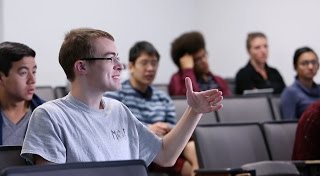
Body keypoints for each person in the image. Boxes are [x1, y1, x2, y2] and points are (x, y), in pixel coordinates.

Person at [21, 28, 223, 168]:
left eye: (118, 57)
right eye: (110, 58)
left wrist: (194, 111)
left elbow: (166, 155)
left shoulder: (118, 109)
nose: (120, 65)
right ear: (81, 66)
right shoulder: (49, 116)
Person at [105, 41, 198, 176]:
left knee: (192, 148)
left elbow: (174, 126)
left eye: (154, 63)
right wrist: (148, 129)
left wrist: (167, 127)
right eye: (144, 63)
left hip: (167, 144)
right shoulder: (116, 95)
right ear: (131, 66)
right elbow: (116, 128)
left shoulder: (163, 97)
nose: (150, 68)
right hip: (140, 148)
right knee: (191, 167)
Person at [0, 41, 44, 145]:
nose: (32, 80)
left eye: (33, 72)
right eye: (23, 73)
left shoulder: (48, 114)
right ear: (1, 78)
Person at [169, 31, 232, 97]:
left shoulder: (219, 80)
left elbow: (229, 103)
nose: (204, 61)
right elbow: (191, 102)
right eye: (198, 59)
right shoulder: (176, 80)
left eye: (204, 55)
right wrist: (188, 71)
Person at [280, 47, 320, 120]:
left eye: (314, 62)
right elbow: (288, 126)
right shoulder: (290, 93)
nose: (310, 67)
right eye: (304, 63)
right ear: (295, 67)